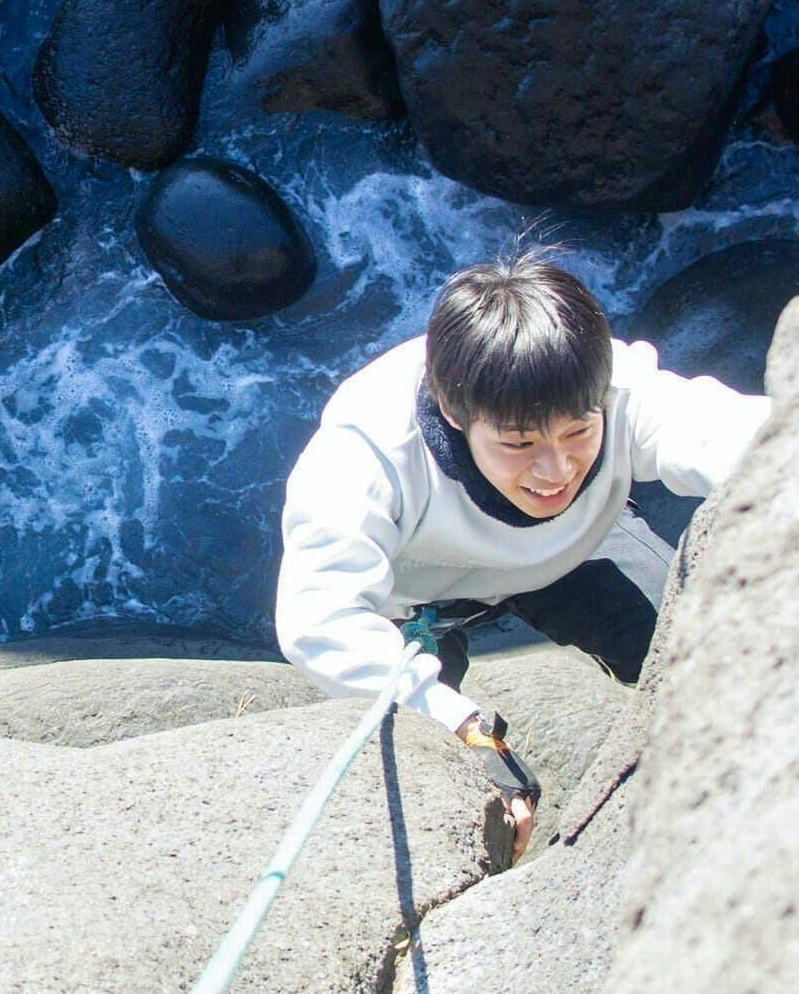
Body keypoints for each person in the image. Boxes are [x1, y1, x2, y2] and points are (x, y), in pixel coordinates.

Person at [274, 250, 771, 855]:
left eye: (579, 433)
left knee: (708, 664)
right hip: (415, 605)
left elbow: (726, 432)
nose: (555, 469)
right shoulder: (366, 455)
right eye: (518, 442)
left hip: (575, 552)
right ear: (455, 415)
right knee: (431, 807)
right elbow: (321, 619)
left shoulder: (606, 385)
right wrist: (460, 723)